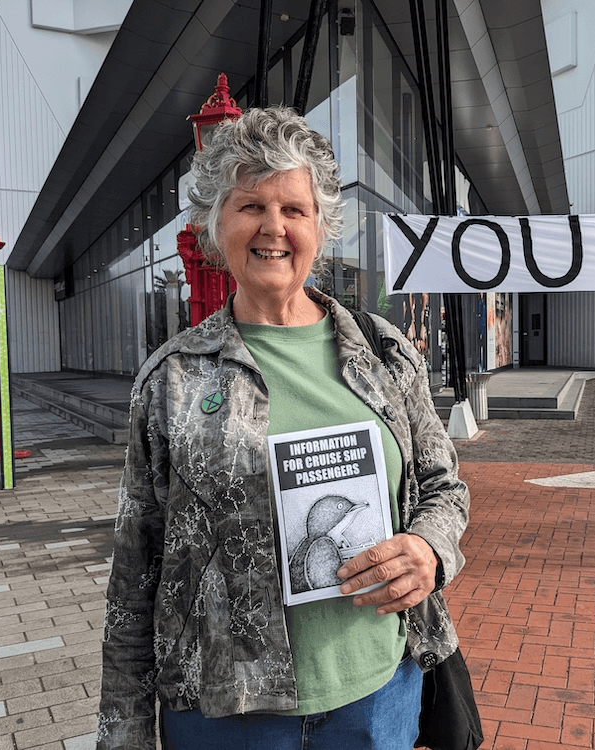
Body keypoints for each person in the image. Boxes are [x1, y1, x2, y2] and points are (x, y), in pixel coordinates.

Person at [96, 106, 470, 750]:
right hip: (226, 712)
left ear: (320, 227)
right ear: (216, 226)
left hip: (375, 692)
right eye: (250, 206)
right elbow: (137, 570)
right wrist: (123, 733)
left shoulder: (382, 354)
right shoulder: (173, 380)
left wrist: (430, 549)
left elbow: (444, 486)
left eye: (294, 209)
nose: (274, 228)